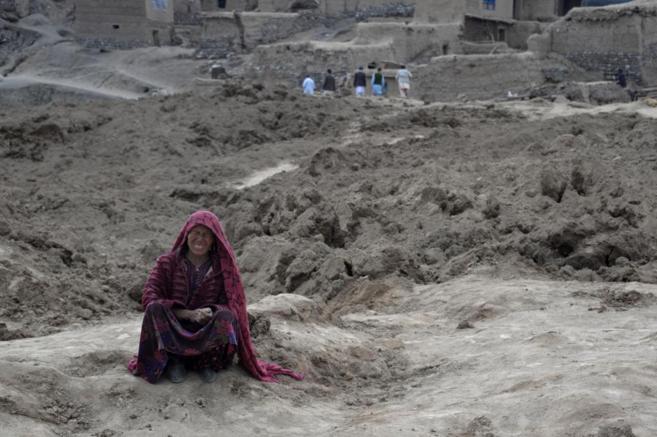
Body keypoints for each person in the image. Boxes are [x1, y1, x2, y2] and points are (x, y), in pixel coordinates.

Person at [128, 210, 303, 384]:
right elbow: (149, 296)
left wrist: (210, 312)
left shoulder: (223, 270)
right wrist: (187, 314)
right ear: (186, 235)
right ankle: (175, 361)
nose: (200, 239)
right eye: (196, 233)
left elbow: (233, 304)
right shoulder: (167, 263)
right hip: (174, 326)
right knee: (154, 309)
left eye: (206, 235)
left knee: (227, 316)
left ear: (213, 241)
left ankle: (206, 363)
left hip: (206, 330)